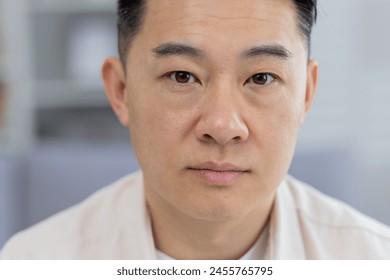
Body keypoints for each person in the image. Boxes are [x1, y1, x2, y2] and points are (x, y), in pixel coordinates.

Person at [1, 0, 390, 260]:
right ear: (121, 91)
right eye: (182, 75)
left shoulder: (372, 258)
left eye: (262, 78)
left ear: (305, 93)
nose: (222, 126)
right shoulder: (35, 261)